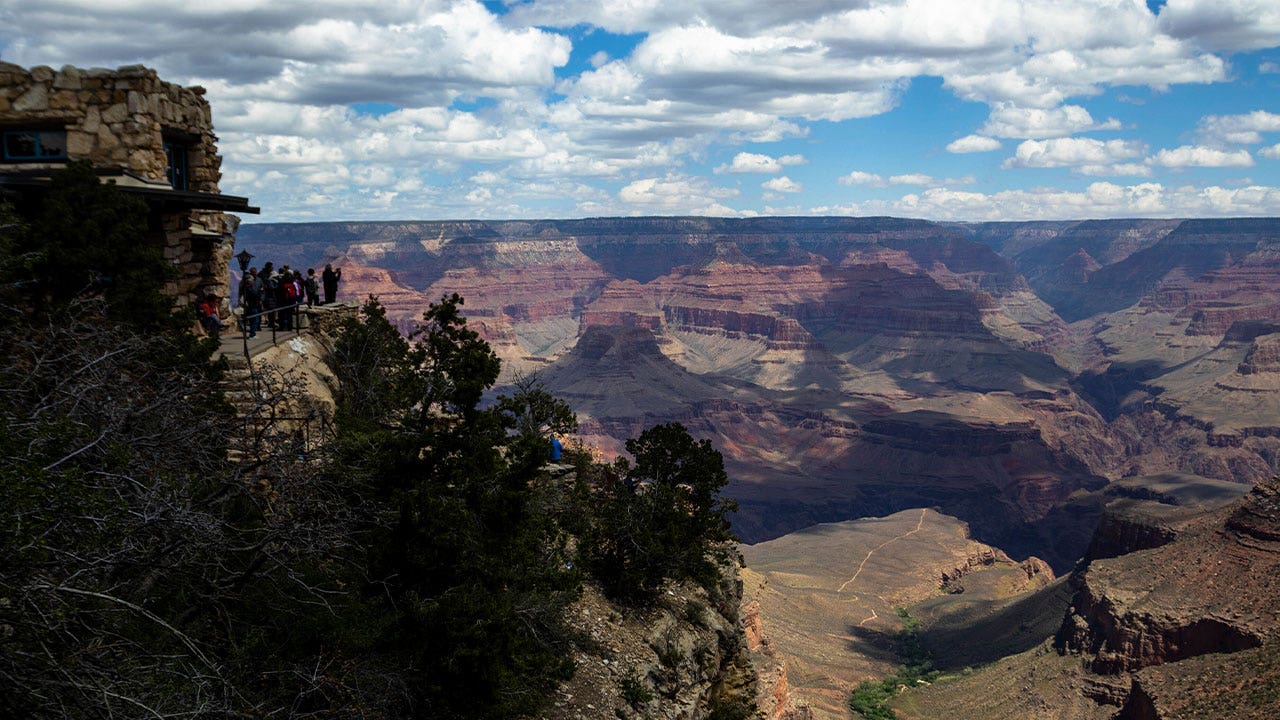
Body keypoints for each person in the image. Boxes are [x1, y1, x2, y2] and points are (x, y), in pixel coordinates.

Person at [239, 268, 261, 337]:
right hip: (252, 305)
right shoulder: (249, 288)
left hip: (250, 305)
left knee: (252, 319)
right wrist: (259, 291)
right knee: (254, 319)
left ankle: (251, 332)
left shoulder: (244, 287)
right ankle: (252, 334)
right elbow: (254, 294)